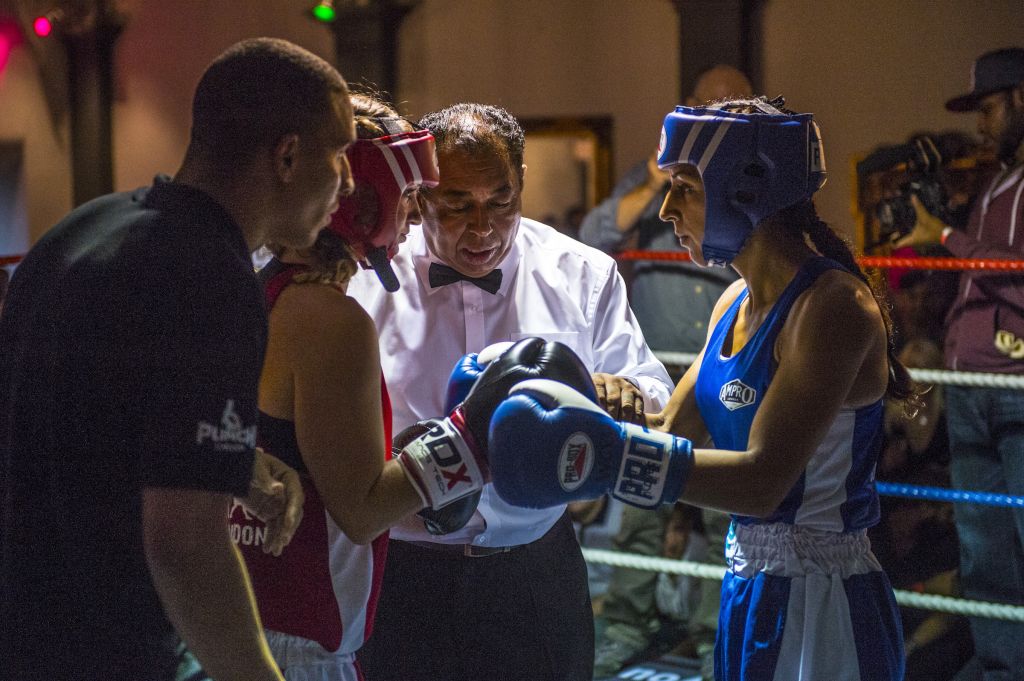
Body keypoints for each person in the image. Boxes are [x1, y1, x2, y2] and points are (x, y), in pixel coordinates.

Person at [487, 96, 916, 680]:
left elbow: (764, 482)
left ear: (748, 189)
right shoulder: (731, 303)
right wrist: (579, 395)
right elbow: (666, 431)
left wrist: (610, 458)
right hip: (747, 581)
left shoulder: (830, 307)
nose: (666, 210)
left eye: (684, 187)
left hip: (824, 595)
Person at [0, 37, 353, 681]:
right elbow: (185, 548)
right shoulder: (210, 278)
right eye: (340, 154)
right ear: (288, 155)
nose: (348, 182)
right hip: (104, 651)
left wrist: (227, 461)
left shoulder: (86, 229)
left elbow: (71, 426)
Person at [349, 102, 674, 681]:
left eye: (501, 202)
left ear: (521, 184)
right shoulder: (363, 278)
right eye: (458, 205)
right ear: (421, 196)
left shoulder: (583, 273)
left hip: (536, 567)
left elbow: (653, 393)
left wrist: (615, 394)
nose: (483, 228)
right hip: (399, 570)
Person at [582, 64, 752, 681]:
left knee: (719, 509)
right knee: (640, 498)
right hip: (655, 364)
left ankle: (714, 639)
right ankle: (627, 622)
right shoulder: (659, 177)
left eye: (732, 107)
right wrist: (662, 174)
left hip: (729, 359)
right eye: (708, 106)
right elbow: (595, 231)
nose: (718, 116)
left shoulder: (748, 181)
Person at [896, 46, 1024, 681]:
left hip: (1013, 384)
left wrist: (941, 237)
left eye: (991, 107)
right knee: (984, 548)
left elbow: (1014, 272)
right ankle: (1001, 665)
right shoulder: (996, 182)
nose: (982, 124)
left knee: (1012, 544)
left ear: (1022, 99)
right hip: (972, 381)